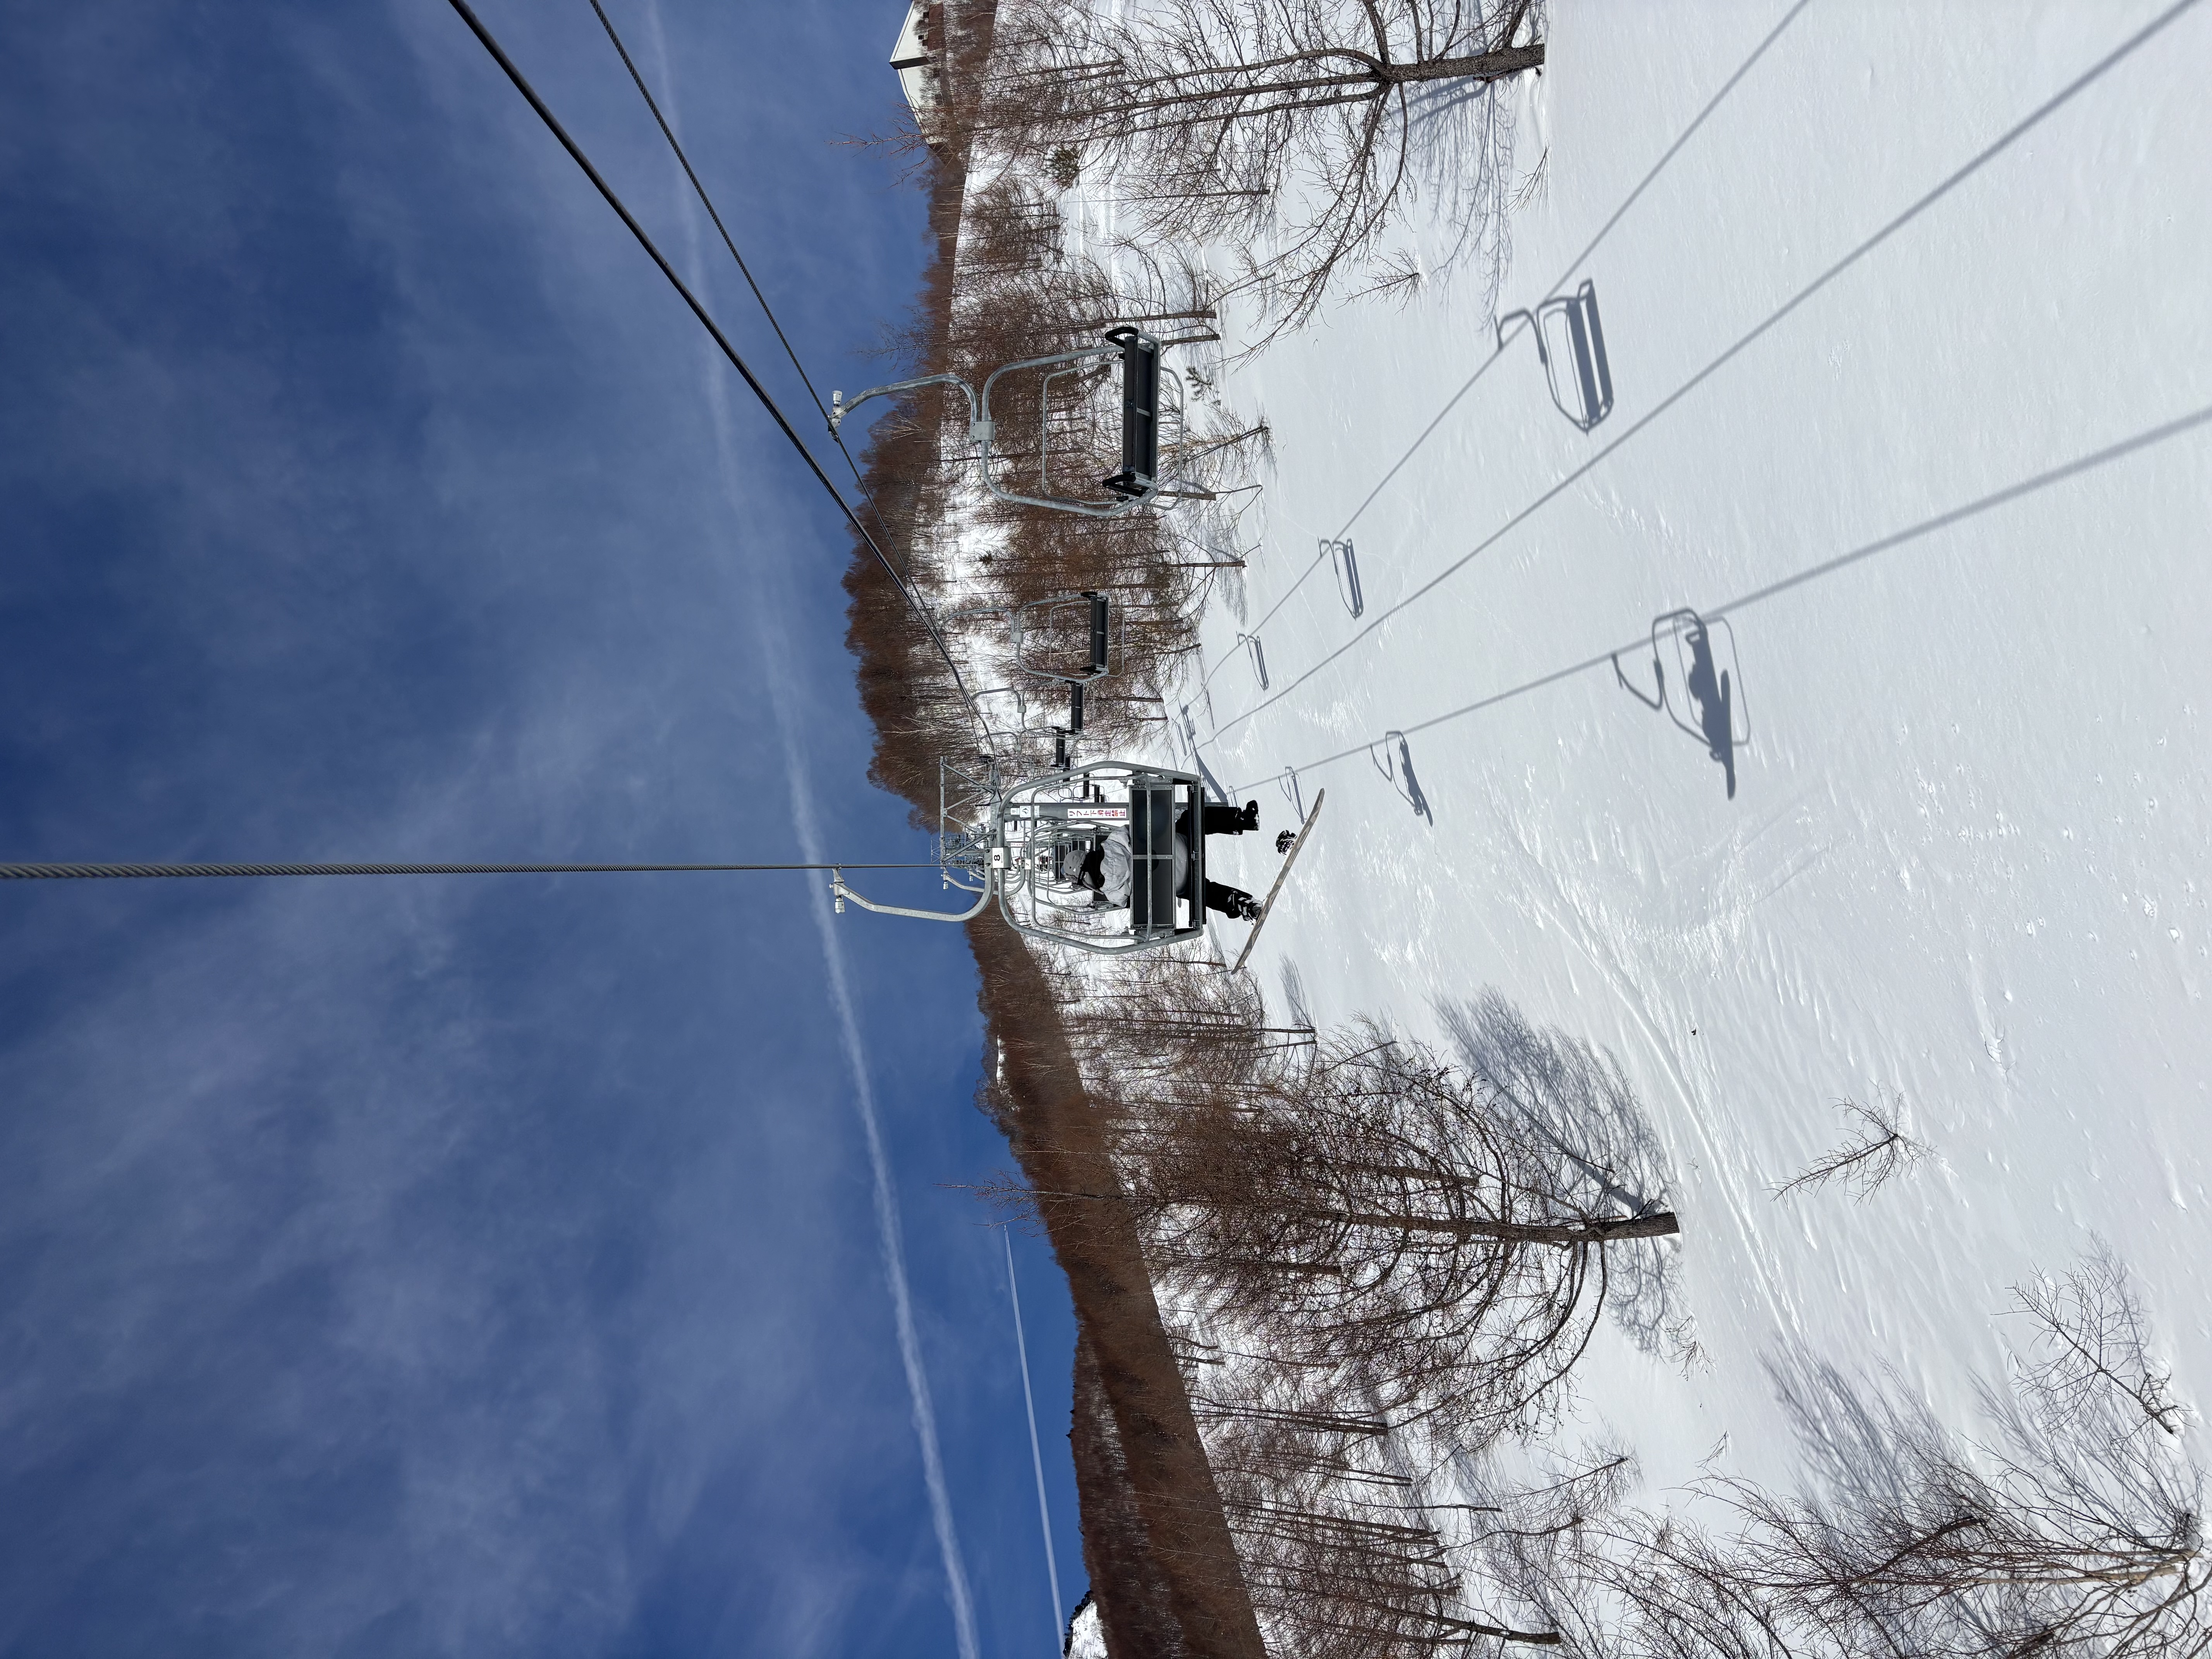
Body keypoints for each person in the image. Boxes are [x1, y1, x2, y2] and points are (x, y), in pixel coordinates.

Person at [1077, 799, 1263, 921]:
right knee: (1191, 818)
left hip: (1183, 883)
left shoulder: (1112, 894)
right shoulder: (1113, 842)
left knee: (1199, 893)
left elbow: (1142, 906)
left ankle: (1239, 903)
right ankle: (1242, 820)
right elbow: (1142, 828)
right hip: (1179, 845)